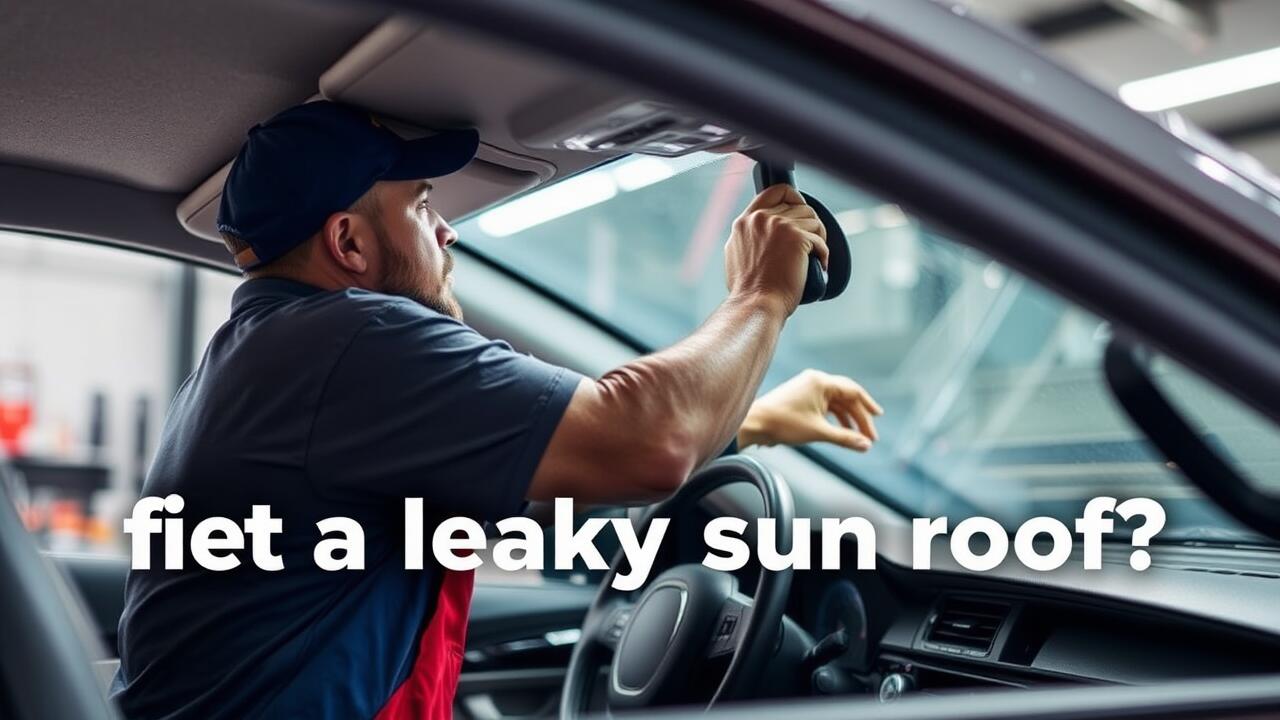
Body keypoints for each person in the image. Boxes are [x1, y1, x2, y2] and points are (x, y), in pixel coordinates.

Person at [111, 101, 883, 719]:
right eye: (419, 206)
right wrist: (762, 294)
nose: (447, 230)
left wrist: (748, 421)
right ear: (348, 242)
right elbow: (650, 440)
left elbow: (550, 479)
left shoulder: (266, 358)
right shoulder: (351, 339)